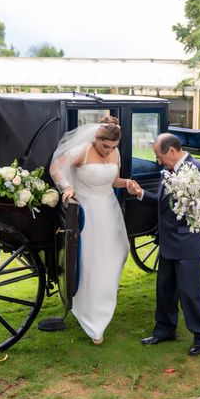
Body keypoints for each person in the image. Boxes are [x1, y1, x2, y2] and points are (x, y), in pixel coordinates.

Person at [126, 133, 200, 357]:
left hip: (187, 242)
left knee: (189, 293)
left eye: (159, 156)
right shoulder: (168, 171)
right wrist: (140, 193)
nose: (159, 161)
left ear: (172, 151)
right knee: (164, 290)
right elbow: (163, 202)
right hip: (167, 241)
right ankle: (164, 330)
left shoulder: (199, 169)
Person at [50, 116, 130, 345]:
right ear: (97, 138)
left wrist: (128, 184)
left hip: (109, 211)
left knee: (116, 255)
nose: (109, 151)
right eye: (106, 146)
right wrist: (67, 187)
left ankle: (104, 303)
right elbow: (56, 168)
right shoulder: (82, 151)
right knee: (91, 261)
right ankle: (93, 317)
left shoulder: (115, 153)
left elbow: (114, 181)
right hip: (87, 212)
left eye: (113, 147)